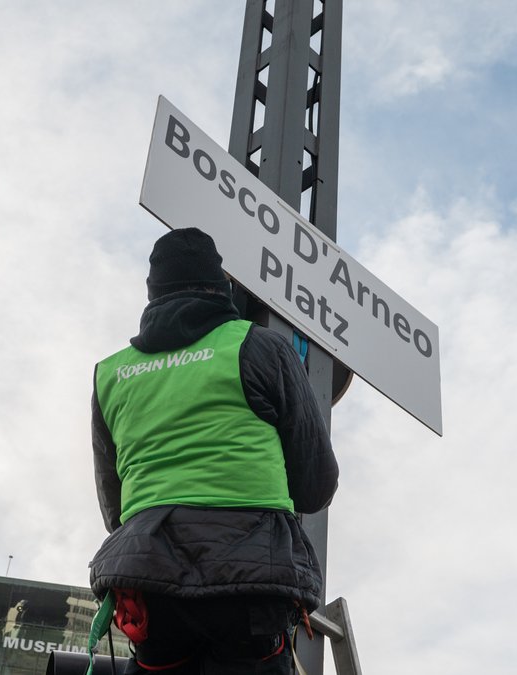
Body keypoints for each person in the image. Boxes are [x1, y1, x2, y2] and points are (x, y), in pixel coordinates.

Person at [89, 227, 339, 675]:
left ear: (152, 296)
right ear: (221, 286)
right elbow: (316, 485)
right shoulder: (260, 347)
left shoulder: (111, 374)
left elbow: (115, 508)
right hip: (250, 585)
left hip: (149, 581)